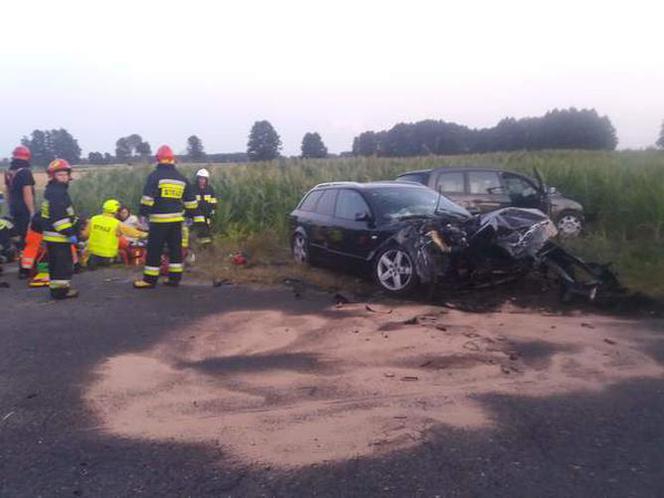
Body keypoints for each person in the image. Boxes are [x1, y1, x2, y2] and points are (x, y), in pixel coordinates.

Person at [133, 145, 198, 289]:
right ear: (172, 160)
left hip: (159, 220)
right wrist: (189, 216)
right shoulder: (181, 178)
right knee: (175, 250)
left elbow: (147, 199)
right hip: (176, 221)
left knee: (155, 249)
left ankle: (149, 280)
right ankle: (174, 279)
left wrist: (143, 214)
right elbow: (191, 202)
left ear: (158, 159)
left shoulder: (155, 176)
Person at [40, 159, 80, 299]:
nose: (63, 177)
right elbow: (59, 218)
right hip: (58, 236)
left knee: (57, 265)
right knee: (62, 265)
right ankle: (61, 292)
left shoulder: (54, 190)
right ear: (53, 176)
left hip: (54, 236)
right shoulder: (57, 193)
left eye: (65, 174)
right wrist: (70, 233)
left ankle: (58, 290)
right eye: (60, 175)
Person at [81, 199, 147, 269]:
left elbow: (85, 235)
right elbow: (132, 232)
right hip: (108, 255)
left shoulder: (94, 219)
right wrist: (146, 234)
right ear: (116, 211)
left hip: (92, 253)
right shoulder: (116, 224)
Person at [3, 146, 35, 248]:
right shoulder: (25, 172)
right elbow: (27, 193)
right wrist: (32, 212)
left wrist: (10, 206)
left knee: (18, 233)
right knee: (26, 234)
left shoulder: (8, 173)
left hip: (14, 207)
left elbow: (7, 192)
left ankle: (17, 252)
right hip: (23, 209)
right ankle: (25, 256)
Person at [192, 168, 218, 246]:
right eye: (200, 178)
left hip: (207, 214)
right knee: (199, 230)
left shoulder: (210, 189)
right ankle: (199, 247)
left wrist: (213, 210)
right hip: (196, 214)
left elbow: (213, 200)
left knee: (206, 231)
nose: (202, 180)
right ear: (197, 179)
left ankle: (205, 247)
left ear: (206, 179)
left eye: (203, 179)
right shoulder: (193, 189)